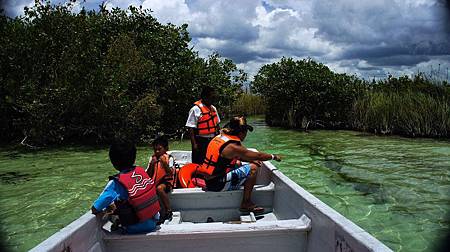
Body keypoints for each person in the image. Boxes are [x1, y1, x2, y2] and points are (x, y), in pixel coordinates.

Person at [200, 116, 282, 213]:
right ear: (241, 132)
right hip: (218, 184)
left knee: (238, 162)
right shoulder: (234, 146)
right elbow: (258, 155)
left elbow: (234, 155)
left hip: (209, 180)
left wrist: (248, 159)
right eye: (246, 131)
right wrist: (273, 156)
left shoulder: (220, 137)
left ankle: (242, 185)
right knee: (253, 168)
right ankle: (246, 203)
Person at [91, 142, 160, 234]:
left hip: (135, 228)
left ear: (113, 162)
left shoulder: (116, 183)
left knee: (111, 210)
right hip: (154, 221)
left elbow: (95, 208)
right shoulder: (141, 171)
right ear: (134, 158)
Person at [185, 86, 221, 164]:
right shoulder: (195, 109)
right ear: (204, 97)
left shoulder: (213, 108)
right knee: (199, 162)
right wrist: (194, 144)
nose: (213, 99)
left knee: (212, 161)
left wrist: (219, 140)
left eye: (214, 97)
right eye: (211, 97)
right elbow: (191, 128)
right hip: (200, 141)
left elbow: (217, 125)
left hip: (213, 140)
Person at [146, 136, 176, 223]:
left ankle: (168, 210)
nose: (157, 152)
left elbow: (170, 173)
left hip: (166, 182)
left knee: (159, 189)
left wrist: (164, 163)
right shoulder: (153, 159)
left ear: (166, 149)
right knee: (149, 190)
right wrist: (152, 165)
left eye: (159, 149)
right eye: (155, 150)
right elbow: (148, 175)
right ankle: (155, 213)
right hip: (155, 181)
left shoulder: (169, 158)